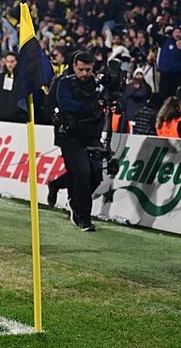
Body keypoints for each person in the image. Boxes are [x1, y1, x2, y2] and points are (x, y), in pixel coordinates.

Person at [52, 51, 104, 232]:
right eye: (81, 69)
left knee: (96, 174)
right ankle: (83, 217)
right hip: (70, 135)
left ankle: (71, 198)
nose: (84, 73)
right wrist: (90, 107)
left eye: (88, 69)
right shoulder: (65, 83)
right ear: (74, 67)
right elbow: (65, 103)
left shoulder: (97, 85)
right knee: (82, 172)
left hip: (92, 135)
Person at [0, 52, 28, 123]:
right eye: (7, 61)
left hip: (18, 118)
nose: (9, 64)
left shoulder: (24, 79)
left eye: (12, 61)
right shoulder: (0, 78)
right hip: (0, 117)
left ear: (17, 62)